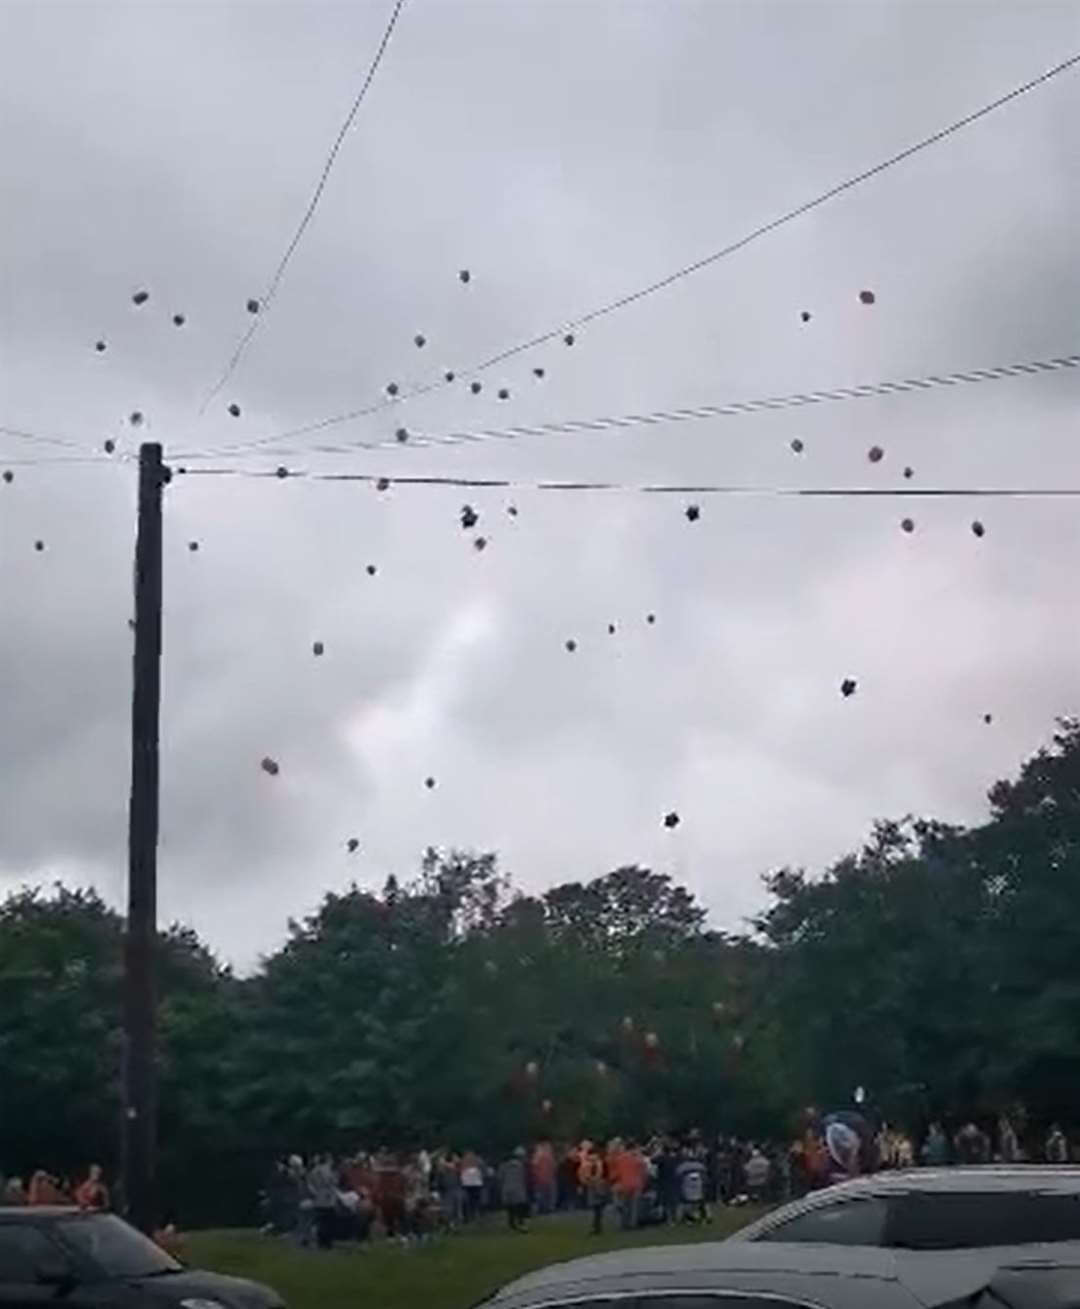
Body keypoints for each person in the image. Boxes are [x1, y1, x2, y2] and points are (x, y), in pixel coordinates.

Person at [307, 1154, 338, 1250]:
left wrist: (314, 1193)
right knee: (329, 1222)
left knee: (320, 1222)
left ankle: (320, 1242)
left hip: (318, 1199)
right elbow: (333, 1182)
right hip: (328, 1198)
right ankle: (327, 1243)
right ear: (328, 1160)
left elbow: (309, 1184)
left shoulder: (314, 1170)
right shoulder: (328, 1170)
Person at [578, 1142, 609, 1235]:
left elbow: (582, 1175)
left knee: (596, 1208)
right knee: (598, 1208)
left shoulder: (588, 1164)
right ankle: (597, 1226)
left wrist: (586, 1181)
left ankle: (596, 1226)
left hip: (593, 1186)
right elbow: (604, 1174)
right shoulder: (599, 1163)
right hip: (598, 1186)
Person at [499, 1148, 529, 1233]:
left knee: (510, 1210)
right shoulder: (521, 1166)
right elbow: (524, 1178)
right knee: (520, 1208)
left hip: (507, 1189)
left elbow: (500, 1178)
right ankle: (522, 1225)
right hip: (519, 1189)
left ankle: (512, 1226)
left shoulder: (503, 1166)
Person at [676, 1145, 708, 1223]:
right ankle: (702, 1216)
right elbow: (704, 1174)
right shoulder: (699, 1165)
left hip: (689, 1185)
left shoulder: (683, 1166)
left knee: (688, 1202)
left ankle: (686, 1217)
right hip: (695, 1185)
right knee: (698, 1201)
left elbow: (677, 1174)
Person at [531, 1140, 557, 1215]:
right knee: (545, 1194)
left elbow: (553, 1168)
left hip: (544, 1178)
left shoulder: (541, 1156)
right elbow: (553, 1167)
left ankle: (544, 1208)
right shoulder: (543, 1156)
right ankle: (545, 1208)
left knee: (544, 1194)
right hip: (544, 1179)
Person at [460, 1151, 485, 1223]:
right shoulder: (477, 1161)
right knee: (475, 1200)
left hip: (468, 1184)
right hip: (475, 1183)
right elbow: (482, 1170)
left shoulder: (464, 1162)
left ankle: (473, 1215)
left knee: (470, 1201)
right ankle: (475, 1215)